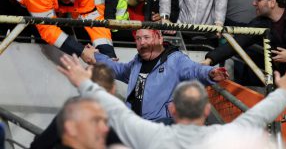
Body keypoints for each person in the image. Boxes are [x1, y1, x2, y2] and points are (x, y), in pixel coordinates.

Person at [58, 54, 286, 149]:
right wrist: (285, 91)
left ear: (172, 109)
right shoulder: (225, 138)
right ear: (207, 109)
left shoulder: (152, 136)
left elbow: (116, 111)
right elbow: (258, 115)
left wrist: (83, 81)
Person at [89, 29, 229, 120]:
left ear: (160, 38)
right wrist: (95, 56)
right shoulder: (137, 62)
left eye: (146, 37)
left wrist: (210, 73)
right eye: (138, 39)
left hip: (160, 126)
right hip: (134, 124)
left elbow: (194, 70)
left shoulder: (175, 59)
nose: (142, 42)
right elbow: (117, 69)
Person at [203, 0, 286, 108]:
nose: (254, 3)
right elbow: (237, 42)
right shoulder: (261, 23)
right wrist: (209, 60)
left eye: (258, 0)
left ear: (272, 2)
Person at [0, 0, 110, 61]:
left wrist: (108, 54)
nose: (73, 1)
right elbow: (48, 29)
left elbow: (94, 19)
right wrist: (82, 51)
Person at [30, 63, 121, 149]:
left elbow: (39, 145)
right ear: (113, 89)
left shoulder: (73, 112)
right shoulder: (121, 120)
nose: (103, 128)